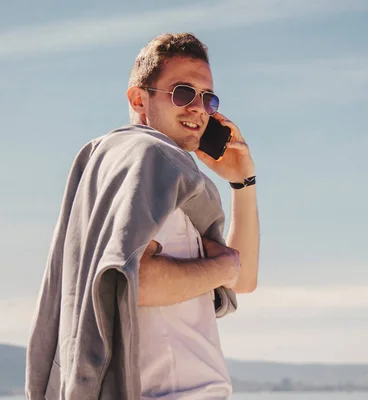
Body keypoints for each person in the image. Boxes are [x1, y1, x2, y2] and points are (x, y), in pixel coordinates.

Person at [25, 32, 259, 400]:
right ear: (139, 98)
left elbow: (242, 280)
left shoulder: (163, 177)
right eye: (183, 92)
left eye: (208, 99)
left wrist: (243, 182)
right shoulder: (147, 158)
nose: (198, 108)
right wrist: (221, 269)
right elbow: (136, 279)